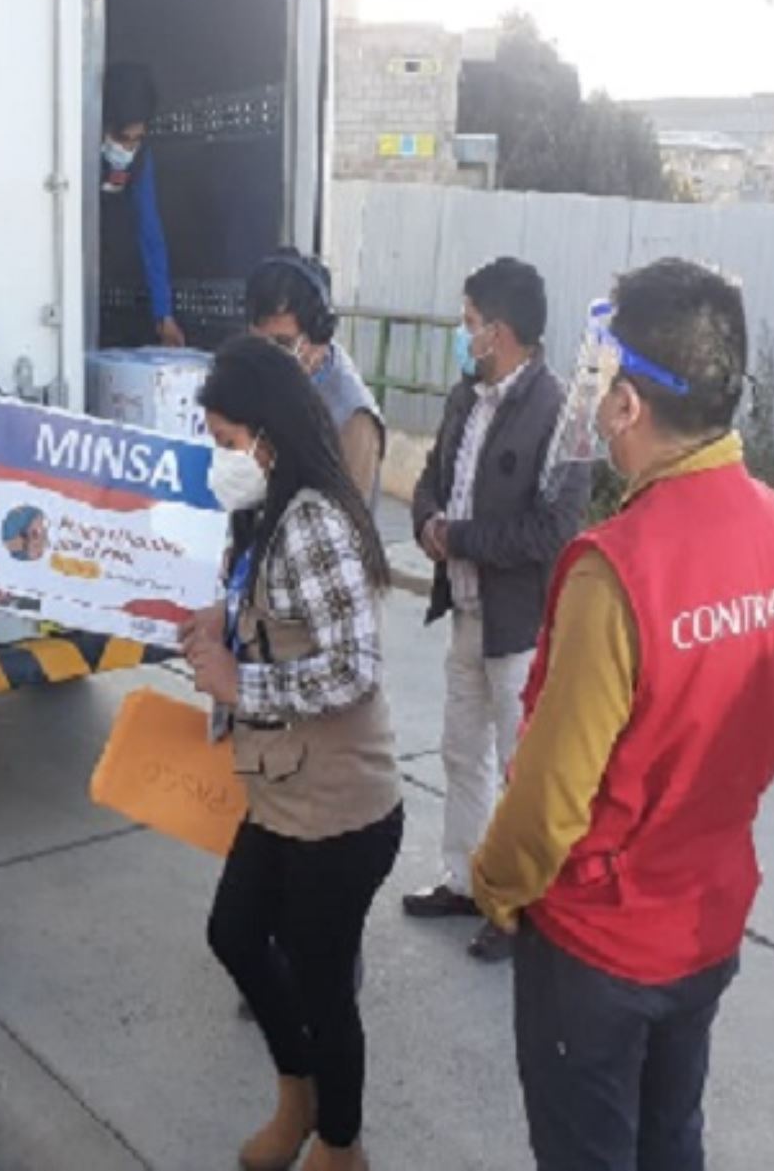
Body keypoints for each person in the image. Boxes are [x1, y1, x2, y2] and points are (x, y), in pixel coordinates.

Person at [472, 258, 774, 1171]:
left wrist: (497, 884)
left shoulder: (618, 570)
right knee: (671, 1139)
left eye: (602, 385)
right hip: (708, 918)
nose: (595, 405)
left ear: (629, 403)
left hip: (600, 944)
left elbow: (549, 798)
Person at [183, 336, 404, 1171]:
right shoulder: (263, 508)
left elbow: (354, 667)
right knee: (235, 932)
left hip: (341, 808)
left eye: (226, 441)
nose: (220, 458)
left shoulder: (314, 520)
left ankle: (341, 1146)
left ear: (268, 435)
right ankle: (296, 1093)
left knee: (322, 983)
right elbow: (269, 609)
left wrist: (241, 684)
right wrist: (222, 621)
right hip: (282, 791)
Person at [401, 256, 590, 963]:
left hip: (520, 627)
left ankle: (521, 907)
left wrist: (460, 538)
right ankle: (465, 880)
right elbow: (431, 475)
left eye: (469, 322)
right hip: (466, 612)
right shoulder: (466, 396)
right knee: (461, 752)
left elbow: (553, 530)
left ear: (500, 332)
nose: (463, 333)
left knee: (522, 769)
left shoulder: (564, 416)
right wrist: (427, 521)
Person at [246, 248, 386, 503]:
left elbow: (345, 523)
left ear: (320, 335)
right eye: (258, 343)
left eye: (282, 344)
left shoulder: (353, 420)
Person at [99, 62, 183, 348]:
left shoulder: (140, 161)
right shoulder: (77, 153)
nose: (128, 149)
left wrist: (164, 314)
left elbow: (150, 232)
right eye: (122, 139)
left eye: (137, 140)